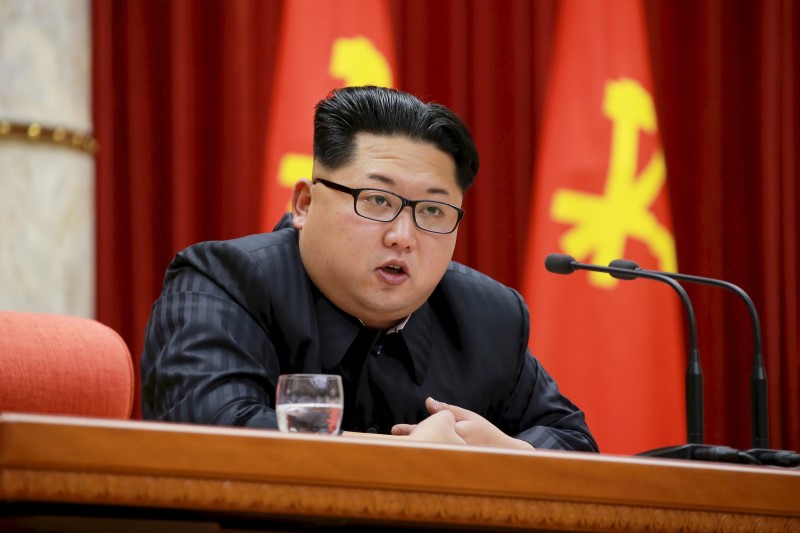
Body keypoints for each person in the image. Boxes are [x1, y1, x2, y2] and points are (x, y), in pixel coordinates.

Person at [141, 86, 598, 452]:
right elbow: (215, 436)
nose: (403, 235)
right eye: (377, 201)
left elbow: (573, 441)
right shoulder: (224, 283)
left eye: (434, 211)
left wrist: (514, 455)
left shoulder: (488, 316)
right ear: (304, 203)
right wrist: (413, 459)